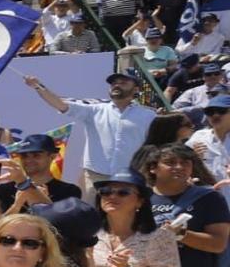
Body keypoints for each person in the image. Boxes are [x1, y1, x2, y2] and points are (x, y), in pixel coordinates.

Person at [140, 144, 230, 267]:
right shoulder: (138, 197)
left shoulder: (209, 199)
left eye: (185, 163)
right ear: (153, 168)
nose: (179, 167)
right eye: (170, 162)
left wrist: (180, 235)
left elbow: (218, 243)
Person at [23, 70, 157, 186]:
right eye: (113, 83)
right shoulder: (94, 110)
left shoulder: (149, 116)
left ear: (136, 89)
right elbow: (60, 104)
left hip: (131, 177)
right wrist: (37, 86)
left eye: (123, 83)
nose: (116, 85)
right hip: (94, 177)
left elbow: (153, 146)